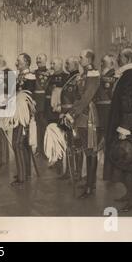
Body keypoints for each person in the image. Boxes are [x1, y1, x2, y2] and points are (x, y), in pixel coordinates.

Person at [104, 48, 132, 212]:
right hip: (125, 126)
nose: (117, 59)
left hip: (131, 129)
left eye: (120, 57)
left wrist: (125, 128)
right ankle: (129, 194)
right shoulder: (126, 75)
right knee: (125, 161)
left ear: (128, 59)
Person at [62, 49, 100, 199]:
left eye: (81, 57)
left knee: (91, 151)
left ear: (89, 59)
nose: (79, 60)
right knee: (86, 150)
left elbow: (86, 98)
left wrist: (72, 113)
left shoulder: (93, 74)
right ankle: (89, 182)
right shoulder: (83, 74)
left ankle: (91, 186)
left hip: (88, 116)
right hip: (81, 116)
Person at [11, 53, 36, 185]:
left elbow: (28, 97)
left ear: (26, 62)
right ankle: (25, 173)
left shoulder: (30, 76)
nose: (16, 63)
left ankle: (22, 177)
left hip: (23, 114)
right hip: (17, 112)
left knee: (18, 144)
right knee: (22, 144)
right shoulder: (20, 76)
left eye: (19, 61)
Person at [58, 56, 81, 180]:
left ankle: (77, 173)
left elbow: (78, 100)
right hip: (64, 114)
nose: (66, 66)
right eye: (66, 63)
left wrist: (71, 114)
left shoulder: (78, 79)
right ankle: (69, 171)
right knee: (68, 143)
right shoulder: (69, 78)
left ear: (76, 65)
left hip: (73, 116)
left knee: (76, 145)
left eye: (68, 64)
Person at [0, 55, 11, 168]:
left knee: (3, 131)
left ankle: (4, 159)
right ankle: (2, 158)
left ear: (3, 61)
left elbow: (11, 90)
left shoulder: (9, 73)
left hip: (5, 105)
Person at [33, 53, 51, 157]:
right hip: (37, 104)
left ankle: (45, 150)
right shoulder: (33, 73)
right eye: (37, 58)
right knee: (38, 127)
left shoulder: (50, 73)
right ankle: (39, 150)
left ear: (45, 60)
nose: (38, 60)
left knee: (45, 127)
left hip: (46, 104)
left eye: (40, 58)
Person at [45, 57, 68, 124]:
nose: (51, 66)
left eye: (53, 64)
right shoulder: (49, 77)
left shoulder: (66, 76)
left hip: (59, 107)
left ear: (60, 65)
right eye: (51, 64)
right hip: (48, 107)